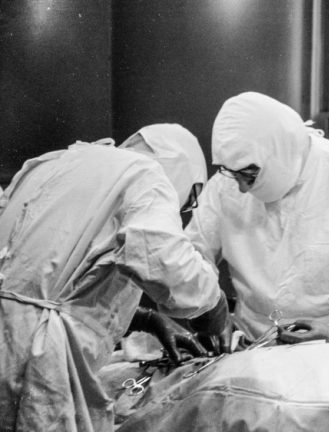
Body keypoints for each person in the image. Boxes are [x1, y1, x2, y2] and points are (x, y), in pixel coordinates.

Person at [0, 124, 230, 432]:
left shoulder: (50, 164)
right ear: (181, 174)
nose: (183, 210)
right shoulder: (144, 174)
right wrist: (213, 305)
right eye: (189, 201)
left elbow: (46, 281)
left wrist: (144, 318)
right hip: (40, 354)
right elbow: (162, 257)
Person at [185, 92, 329, 344]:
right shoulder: (224, 187)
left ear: (280, 150)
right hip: (250, 343)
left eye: (250, 175)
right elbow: (191, 257)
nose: (243, 188)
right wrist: (209, 316)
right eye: (234, 175)